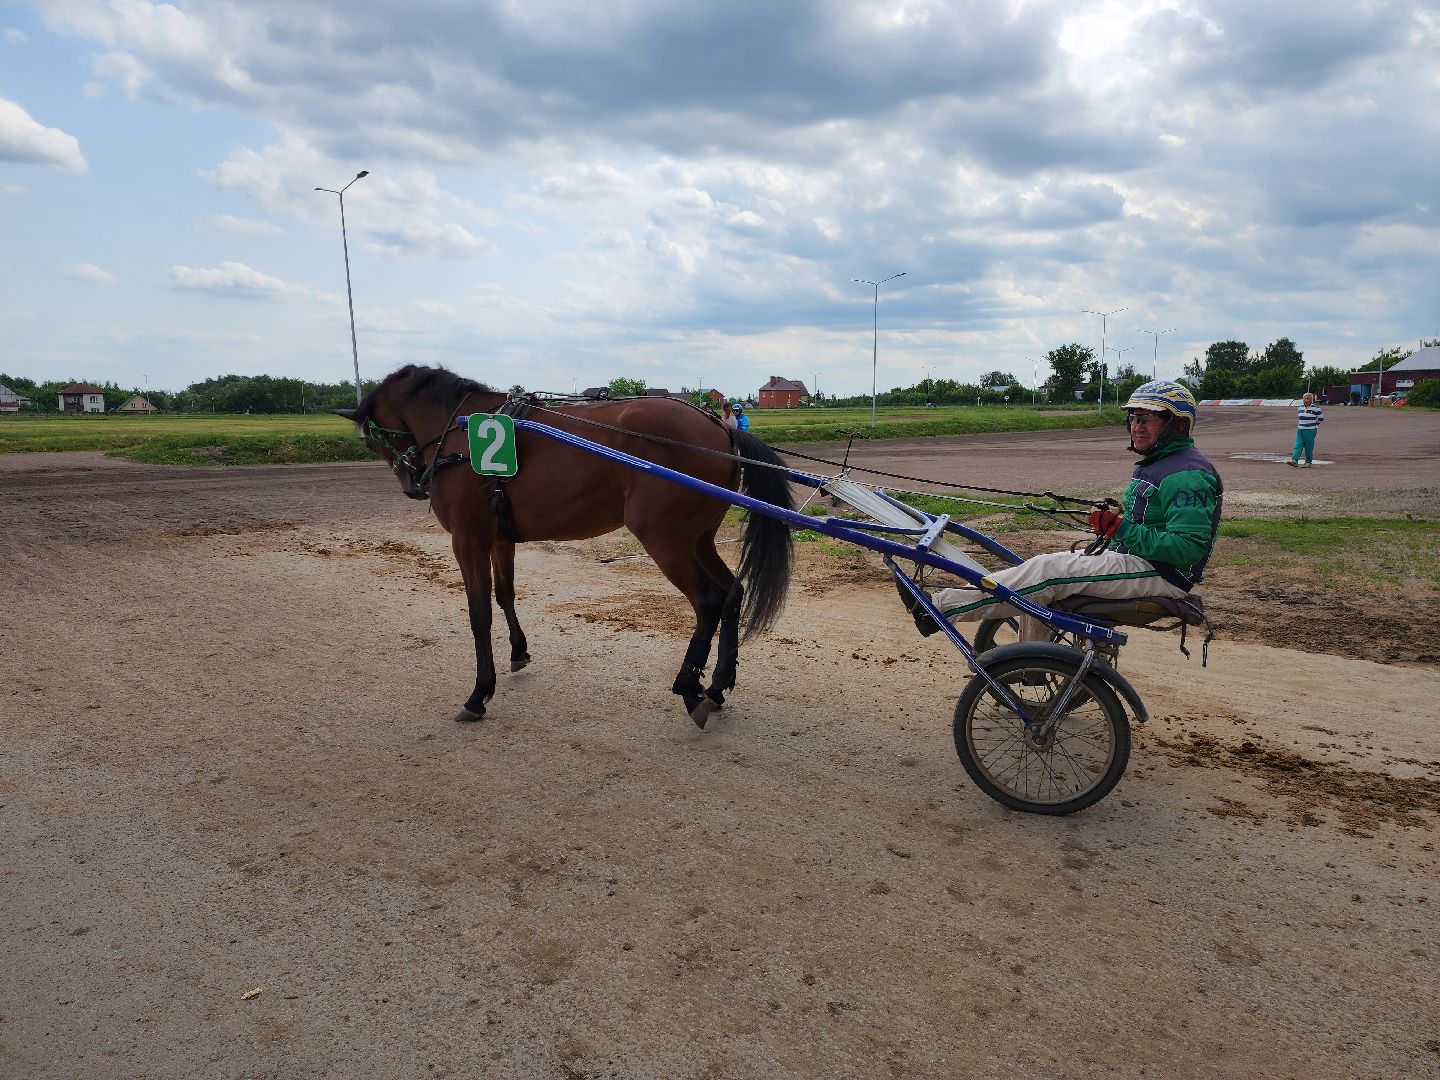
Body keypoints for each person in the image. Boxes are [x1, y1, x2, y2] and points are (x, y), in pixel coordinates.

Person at [900, 380, 1223, 641]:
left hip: (1161, 575)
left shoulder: (1187, 475)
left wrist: (1119, 529)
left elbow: (1186, 549)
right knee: (1039, 573)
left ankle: (937, 609)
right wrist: (1118, 526)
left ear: (1177, 426)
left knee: (1046, 573)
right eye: (1133, 418)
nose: (1136, 426)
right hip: (1141, 562)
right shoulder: (1163, 462)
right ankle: (1030, 661)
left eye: (1146, 418)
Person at [1288, 392, 1323, 467]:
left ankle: (1308, 462)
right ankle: (1295, 460)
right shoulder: (1300, 408)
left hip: (1311, 429)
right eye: (1305, 398)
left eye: (1308, 399)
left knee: (1309, 446)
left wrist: (1314, 424)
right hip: (1300, 429)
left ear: (1311, 400)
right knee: (1298, 444)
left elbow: (1320, 418)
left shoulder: (1316, 408)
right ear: (1303, 399)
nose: (1306, 400)